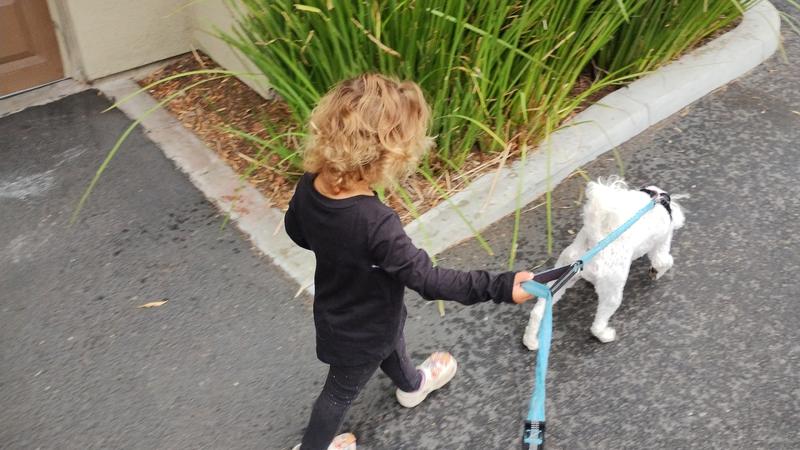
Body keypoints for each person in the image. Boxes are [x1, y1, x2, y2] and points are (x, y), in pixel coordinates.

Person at [284, 73, 535, 450]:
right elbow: (428, 279)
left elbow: (296, 231)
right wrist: (499, 286)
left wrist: (340, 252)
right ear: (388, 154)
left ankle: (413, 385)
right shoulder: (375, 223)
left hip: (343, 309)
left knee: (391, 343)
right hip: (361, 329)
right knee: (338, 393)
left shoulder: (311, 184)